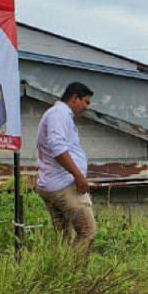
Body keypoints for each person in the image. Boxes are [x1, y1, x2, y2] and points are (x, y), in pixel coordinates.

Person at [36, 82, 97, 252]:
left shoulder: (58, 115)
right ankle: (73, 274)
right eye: (86, 102)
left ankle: (61, 274)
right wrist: (78, 175)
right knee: (88, 231)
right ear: (75, 98)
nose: (86, 107)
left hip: (53, 184)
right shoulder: (60, 114)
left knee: (63, 238)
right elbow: (57, 147)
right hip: (64, 185)